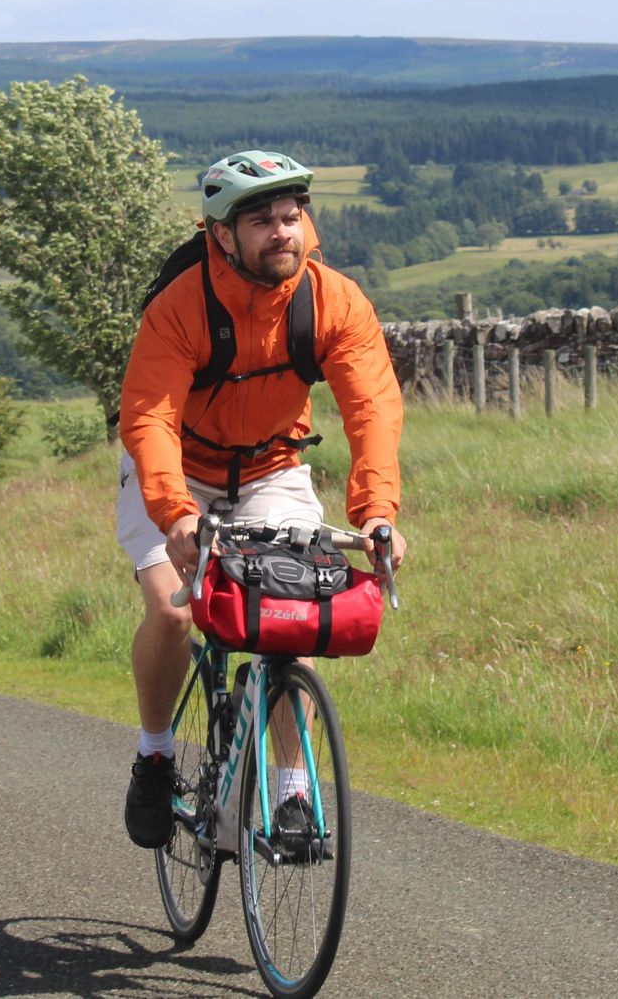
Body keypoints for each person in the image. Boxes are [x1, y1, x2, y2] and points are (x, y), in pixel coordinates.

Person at [116, 148, 407, 848]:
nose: (284, 231)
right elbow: (150, 416)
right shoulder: (181, 305)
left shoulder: (332, 299)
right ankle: (156, 755)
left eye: (292, 214)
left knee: (296, 621)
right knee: (170, 608)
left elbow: (372, 406)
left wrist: (376, 512)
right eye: (262, 221)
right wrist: (174, 514)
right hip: (178, 470)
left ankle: (293, 796)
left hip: (273, 470)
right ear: (220, 234)